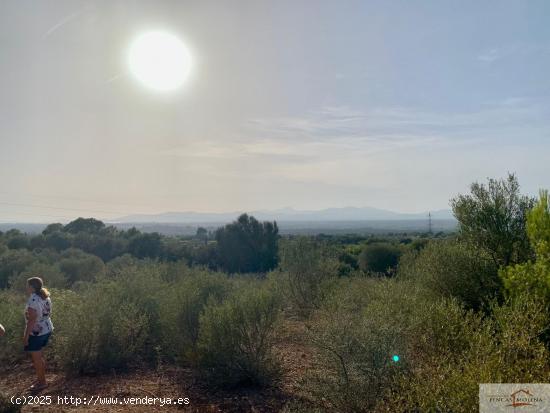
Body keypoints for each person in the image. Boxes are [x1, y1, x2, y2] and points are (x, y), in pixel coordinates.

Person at [23, 277, 54, 392]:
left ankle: (42, 383)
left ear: (32, 287)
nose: (26, 287)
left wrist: (26, 337)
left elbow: (32, 321)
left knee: (37, 358)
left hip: (37, 332)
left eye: (27, 285)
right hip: (47, 328)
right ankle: (41, 378)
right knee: (39, 357)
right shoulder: (45, 296)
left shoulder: (33, 300)